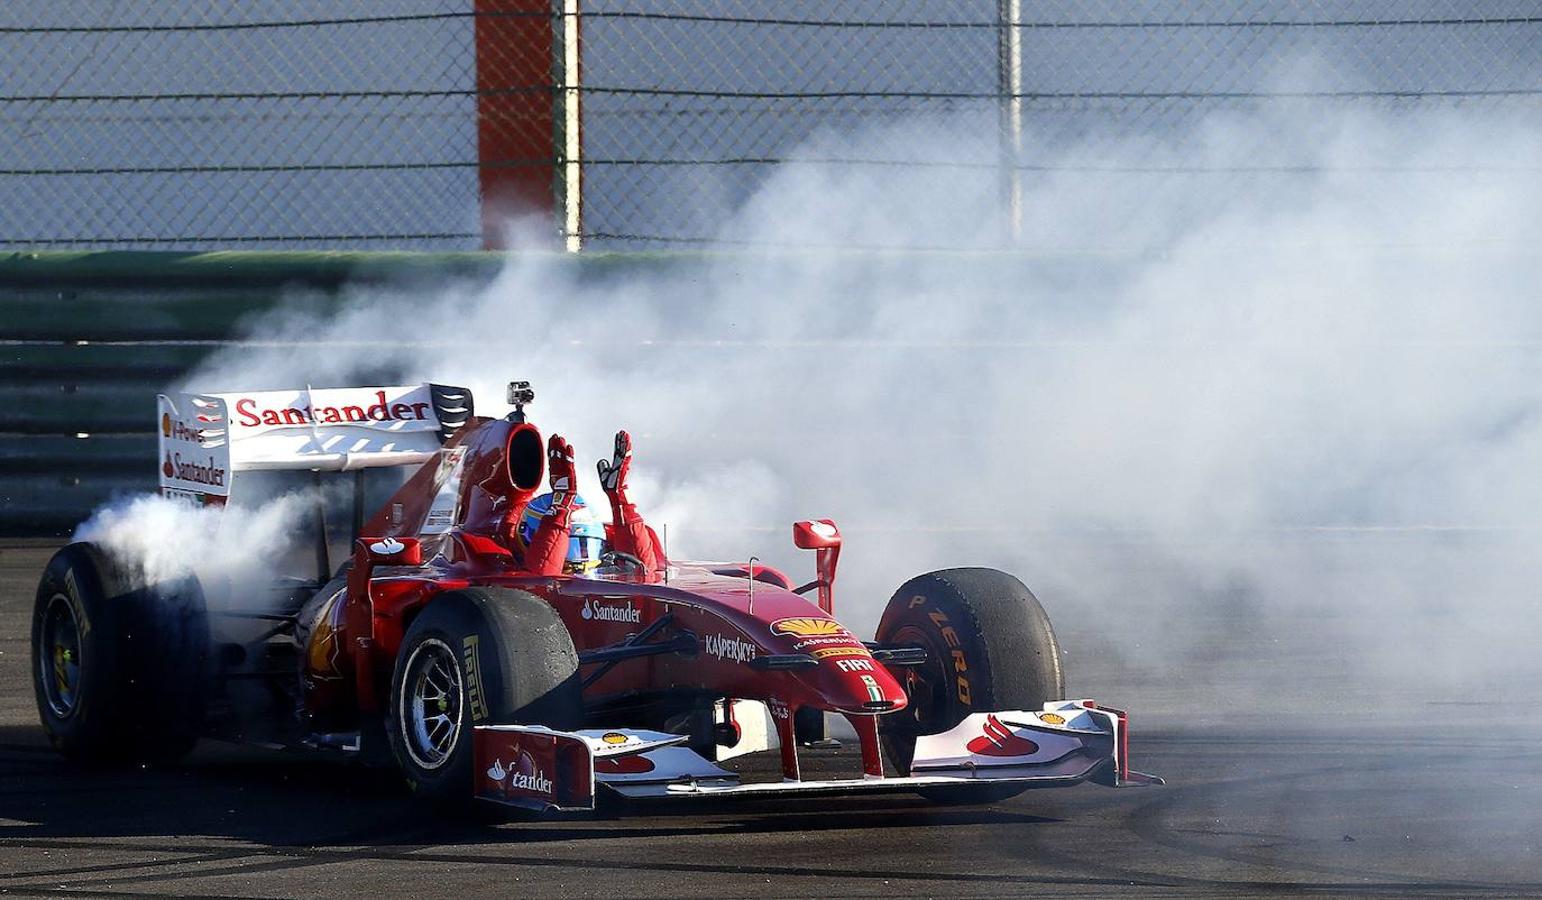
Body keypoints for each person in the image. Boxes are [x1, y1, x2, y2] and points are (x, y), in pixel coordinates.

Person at [518, 431, 665, 576]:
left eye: (584, 547)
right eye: (568, 547)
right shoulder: (509, 568)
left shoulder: (603, 565)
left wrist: (620, 499)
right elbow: (541, 581)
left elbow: (645, 577)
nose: (580, 561)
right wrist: (560, 509)